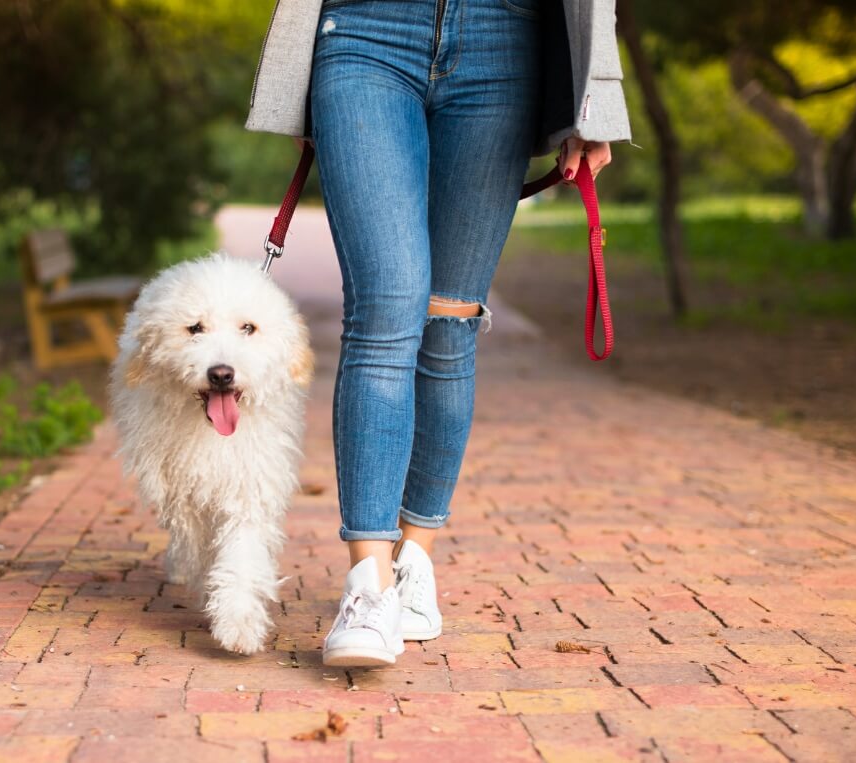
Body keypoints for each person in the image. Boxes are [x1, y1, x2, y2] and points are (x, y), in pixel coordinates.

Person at [246, 0, 631, 666]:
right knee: (386, 308)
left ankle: (414, 558)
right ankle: (368, 585)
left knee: (450, 322)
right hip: (365, 32)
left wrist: (595, 100)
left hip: (504, 39)